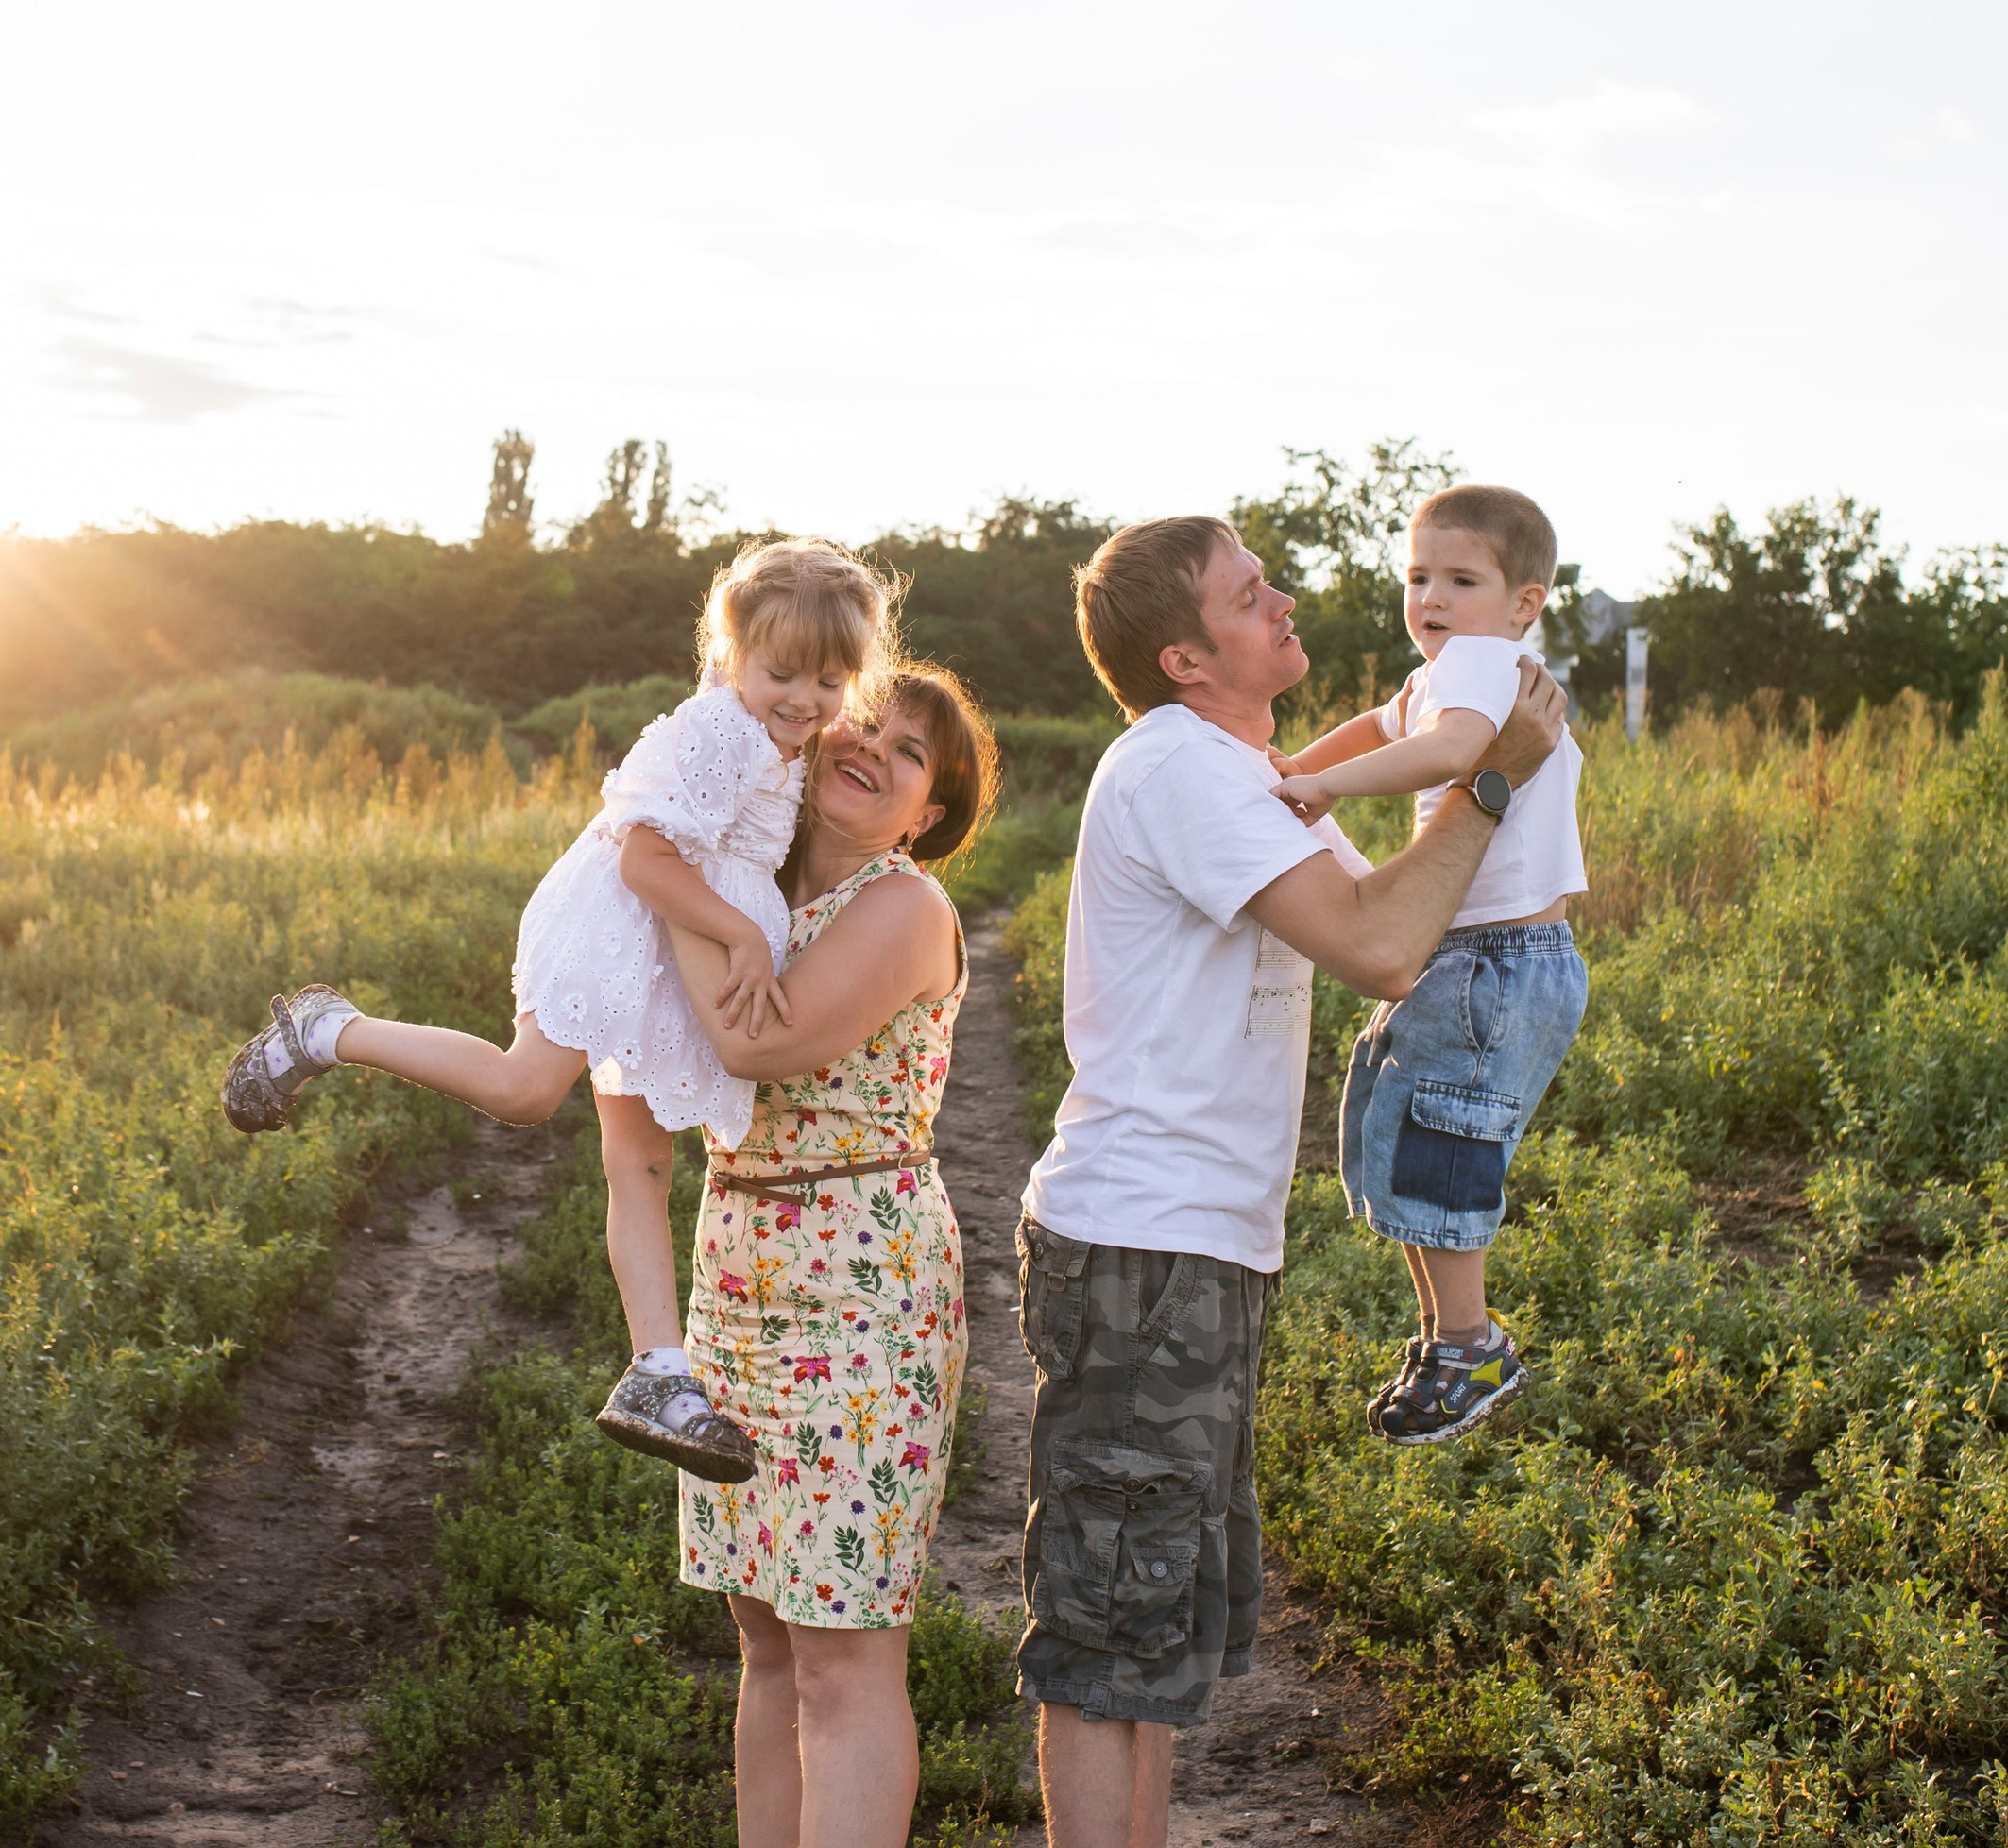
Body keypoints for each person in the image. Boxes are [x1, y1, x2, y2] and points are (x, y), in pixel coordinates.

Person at [1016, 515, 1567, 1848]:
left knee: (1157, 1631)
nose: (1284, 603)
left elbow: (1393, 914)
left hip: (1195, 1249)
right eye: (1250, 596)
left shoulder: (1236, 768)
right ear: (1185, 658)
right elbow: (1381, 945)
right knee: (1109, 1639)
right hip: (1148, 1253)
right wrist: (1490, 784)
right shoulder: (1185, 774)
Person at [217, 536, 893, 1484]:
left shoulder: (782, 739)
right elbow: (644, 860)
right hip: (622, 922)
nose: (804, 698)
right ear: (733, 654)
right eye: (781, 672)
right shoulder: (723, 731)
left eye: (828, 679)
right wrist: (743, 937)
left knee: (643, 1158)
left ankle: (659, 1367)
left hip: (672, 941)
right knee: (527, 1088)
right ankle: (327, 1030)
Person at [672, 664, 997, 1848]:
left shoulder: (905, 904)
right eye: (870, 721)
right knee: (763, 1636)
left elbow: (766, 1041)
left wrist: (669, 892)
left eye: (912, 754)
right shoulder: (748, 885)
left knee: (842, 1657)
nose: (876, 748)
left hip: (861, 1297)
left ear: (926, 814)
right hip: (736, 1276)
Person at [1268, 483, 1589, 1444]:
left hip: (1500, 958)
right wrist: (1277, 773)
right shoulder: (1440, 671)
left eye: (1460, 578)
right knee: (1401, 1132)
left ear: (1523, 602)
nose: (1431, 598)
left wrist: (1316, 788)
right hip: (1463, 955)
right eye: (1417, 576)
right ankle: (1443, 1338)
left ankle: (1469, 1342)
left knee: (1444, 1140)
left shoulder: (1487, 666)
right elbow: (1382, 725)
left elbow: (1447, 750)